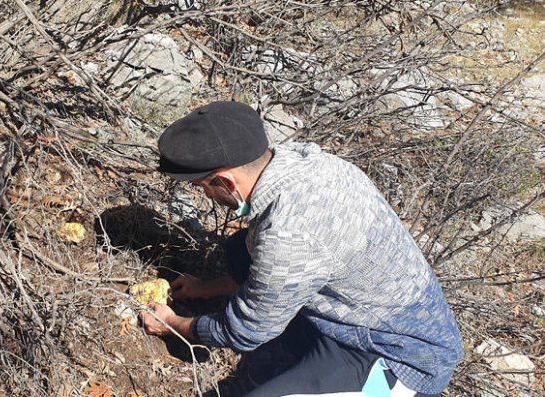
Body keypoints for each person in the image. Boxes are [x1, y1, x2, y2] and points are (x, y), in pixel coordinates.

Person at [141, 101, 463, 397]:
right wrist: (205, 289)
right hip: (358, 310)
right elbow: (283, 276)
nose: (207, 197)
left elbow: (245, 331)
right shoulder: (310, 162)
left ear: (226, 182)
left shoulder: (290, 236)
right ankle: (300, 356)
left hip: (397, 354)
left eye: (204, 188)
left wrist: (176, 324)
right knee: (241, 249)